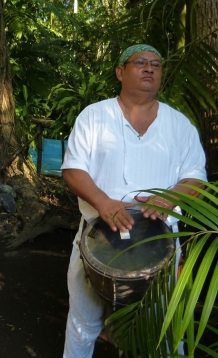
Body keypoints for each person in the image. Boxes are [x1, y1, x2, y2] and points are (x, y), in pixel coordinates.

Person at [61, 44, 207, 357]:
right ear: (120, 71)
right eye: (140, 62)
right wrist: (102, 201)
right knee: (83, 324)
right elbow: (73, 170)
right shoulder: (94, 116)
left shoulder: (179, 124)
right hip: (98, 235)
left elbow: (196, 178)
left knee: (164, 329)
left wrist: (168, 200)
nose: (149, 69)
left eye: (156, 64)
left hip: (161, 241)